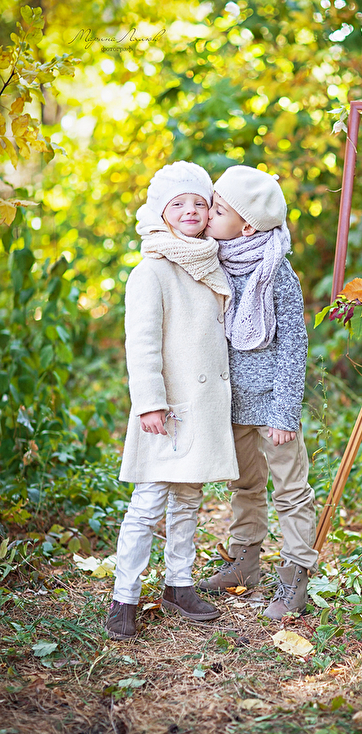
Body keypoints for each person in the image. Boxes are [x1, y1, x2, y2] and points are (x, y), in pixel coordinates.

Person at [105, 161, 239, 641]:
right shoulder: (152, 270)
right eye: (178, 203)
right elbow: (141, 344)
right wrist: (150, 403)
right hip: (168, 408)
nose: (190, 211)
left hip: (202, 404)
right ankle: (124, 596)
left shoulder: (210, 263)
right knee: (148, 503)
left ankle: (179, 584)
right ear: (160, 211)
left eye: (199, 203)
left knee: (188, 500)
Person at [198, 165, 318, 620]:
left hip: (271, 405)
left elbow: (293, 344)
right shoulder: (211, 261)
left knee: (290, 489)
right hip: (232, 402)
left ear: (247, 226)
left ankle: (295, 576)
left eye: (218, 210)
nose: (208, 215)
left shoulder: (277, 272)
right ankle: (245, 562)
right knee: (244, 485)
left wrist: (285, 412)